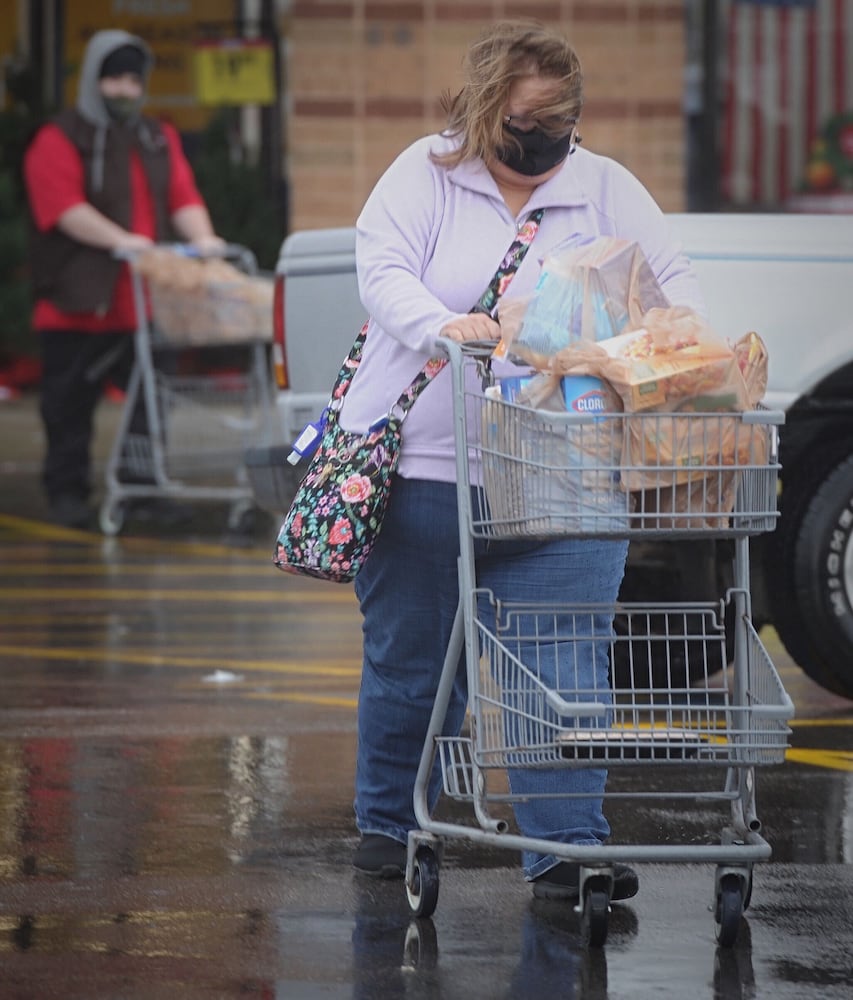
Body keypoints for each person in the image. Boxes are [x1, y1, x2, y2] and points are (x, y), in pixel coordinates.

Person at [341, 20, 707, 901]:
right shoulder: (427, 174)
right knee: (414, 663)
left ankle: (568, 854)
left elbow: (678, 298)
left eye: (554, 120)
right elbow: (382, 268)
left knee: (563, 664)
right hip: (431, 465)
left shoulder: (605, 190)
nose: (537, 138)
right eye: (519, 121)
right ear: (477, 112)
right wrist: (445, 324)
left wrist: (655, 345)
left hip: (564, 473)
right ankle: (390, 828)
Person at [23, 29, 224, 529]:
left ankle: (144, 492)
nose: (124, 90)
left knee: (151, 405)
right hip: (77, 304)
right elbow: (63, 207)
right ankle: (66, 492)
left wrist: (206, 242)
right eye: (113, 78)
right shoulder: (60, 138)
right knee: (67, 409)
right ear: (94, 79)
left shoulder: (157, 137)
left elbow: (182, 196)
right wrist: (124, 239)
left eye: (133, 80)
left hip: (143, 304)